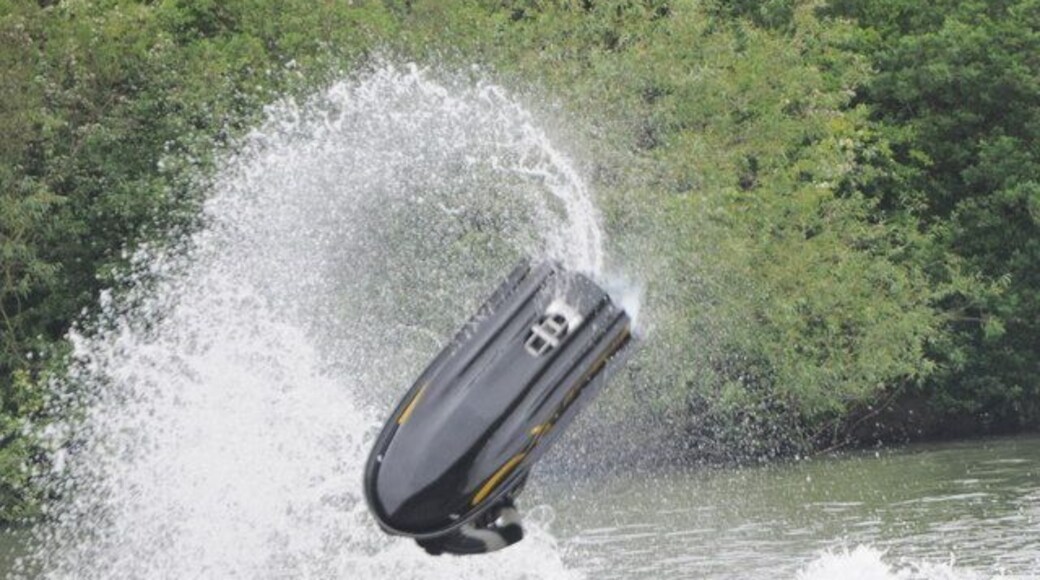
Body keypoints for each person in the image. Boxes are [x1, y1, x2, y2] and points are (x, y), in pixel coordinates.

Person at [416, 476, 526, 555]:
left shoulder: (414, 516)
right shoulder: (458, 541)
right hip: (504, 481)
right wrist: (506, 504)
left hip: (462, 474)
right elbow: (514, 534)